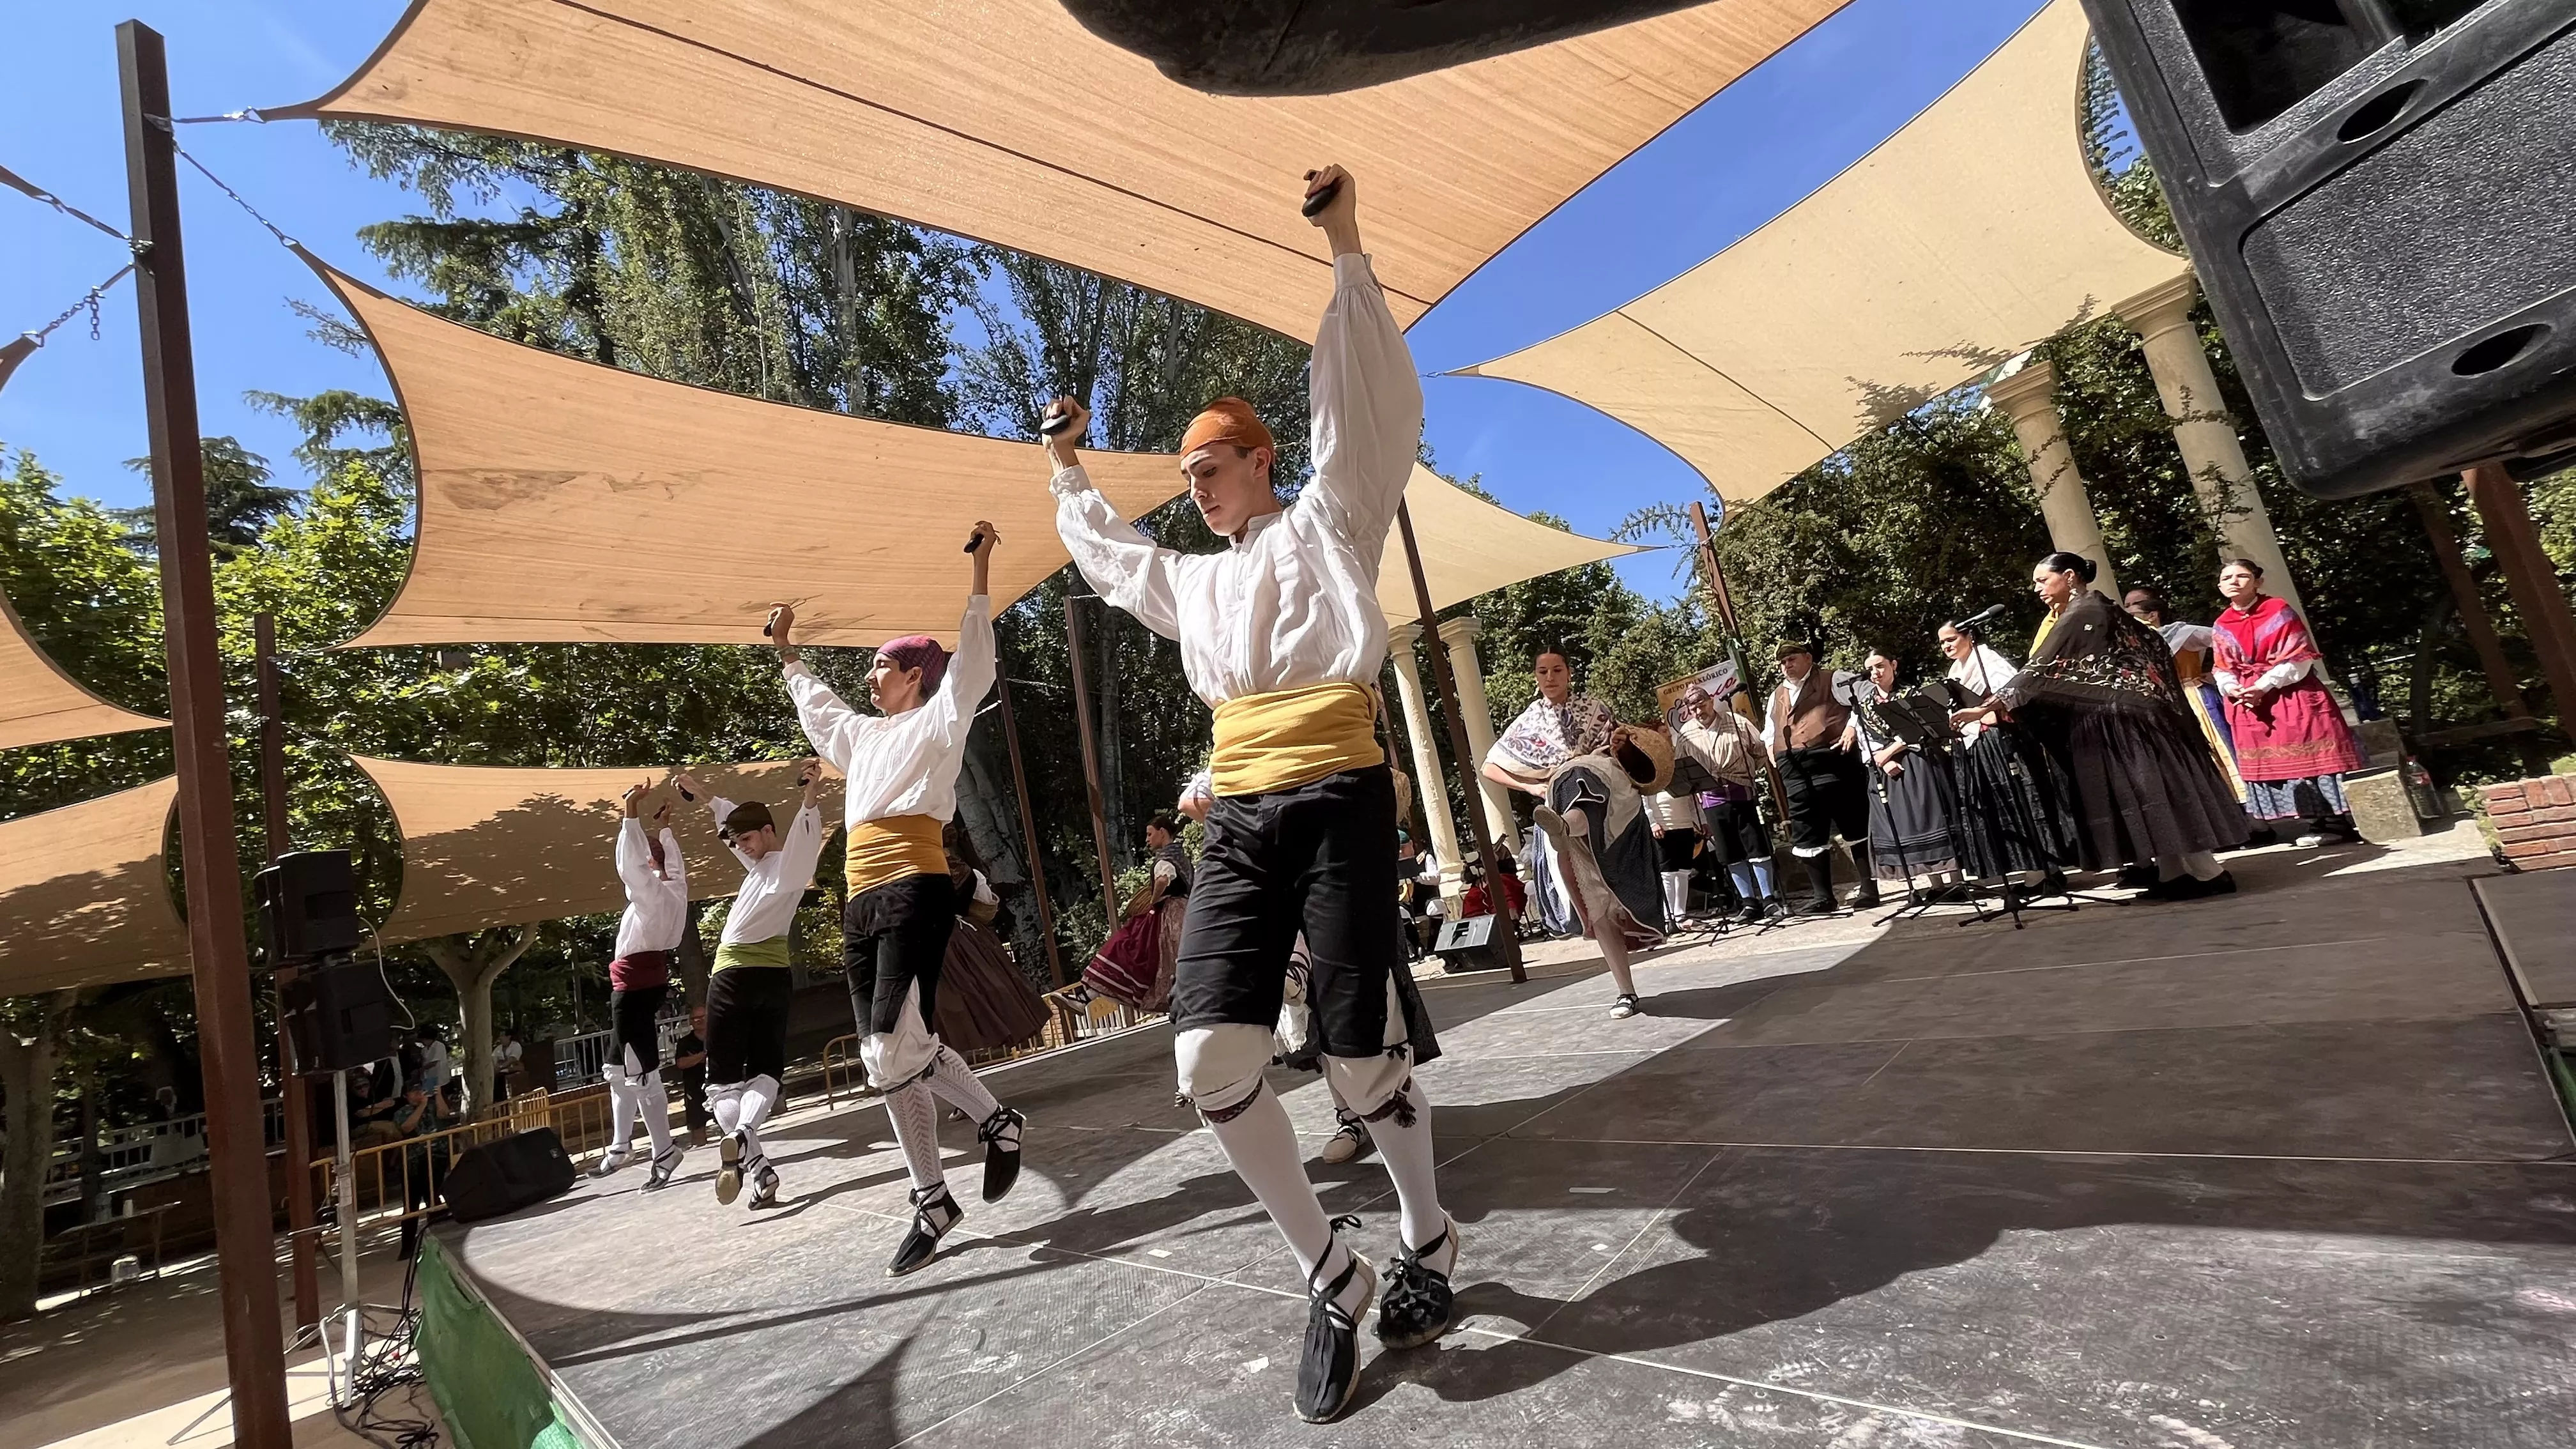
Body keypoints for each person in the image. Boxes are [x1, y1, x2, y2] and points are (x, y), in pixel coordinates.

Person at [1042, 164, 1456, 1423]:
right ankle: (1334, 1273)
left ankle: (1428, 1237)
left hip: (1336, 791)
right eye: (1186, 471)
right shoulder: (1200, 585)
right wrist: (1066, 466)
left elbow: (1364, 415)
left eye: (1210, 462)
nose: (1197, 483)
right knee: (1209, 1062)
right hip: (1242, 816)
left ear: (1259, 457)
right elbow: (1114, 559)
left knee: (1356, 1048)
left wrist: (1344, 247)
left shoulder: (1328, 523)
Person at [769, 523, 1027, 1277]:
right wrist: (786, 651)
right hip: (860, 897)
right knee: (886, 1054)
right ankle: (990, 1128)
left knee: (889, 1046)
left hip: (914, 886)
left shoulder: (939, 722)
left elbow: (974, 664)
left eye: (882, 667)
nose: (871, 677)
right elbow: (819, 710)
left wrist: (979, 574)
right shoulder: (860, 736)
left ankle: (935, 1190)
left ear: (915, 676)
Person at [1952, 552, 2248, 899]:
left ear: (2071, 576)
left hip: (2129, 721)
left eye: (2042, 581)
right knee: (2143, 797)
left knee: (2155, 793)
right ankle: (2172, 875)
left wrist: (1987, 708)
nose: (2037, 589)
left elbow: (2040, 669)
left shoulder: (2085, 612)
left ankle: (2210, 875)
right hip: (2120, 718)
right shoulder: (2093, 609)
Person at [670, 760, 828, 1209]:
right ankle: (758, 1168)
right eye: (738, 842)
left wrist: (811, 797)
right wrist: (702, 793)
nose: (744, 848)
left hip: (735, 974)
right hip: (774, 977)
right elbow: (735, 818)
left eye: (749, 839)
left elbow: (804, 837)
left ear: (767, 830)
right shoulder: (769, 865)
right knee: (766, 1071)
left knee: (720, 1084)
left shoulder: (787, 866)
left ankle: (741, 1137)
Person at [1485, 649, 1673, 1018]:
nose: (1550, 677)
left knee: (1582, 775)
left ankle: (1569, 824)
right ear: (1535, 677)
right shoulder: (1528, 722)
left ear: (1569, 673)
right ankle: (1625, 993)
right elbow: (1489, 766)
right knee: (1596, 907)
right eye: (1543, 671)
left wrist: (1622, 745)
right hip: (1557, 801)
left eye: (1557, 670)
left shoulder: (1596, 708)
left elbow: (1625, 758)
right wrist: (1531, 789)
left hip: (1613, 807)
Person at [2212, 560, 2368, 847]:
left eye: (2242, 576)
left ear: (2258, 582)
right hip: (2250, 703)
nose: (2234, 582)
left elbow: (2299, 656)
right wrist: (2232, 688)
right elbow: (2222, 665)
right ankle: (2313, 822)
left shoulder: (2278, 610)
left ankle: (2337, 822)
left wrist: (2263, 685)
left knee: (2312, 757)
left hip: (2290, 694)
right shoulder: (2222, 623)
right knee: (2280, 763)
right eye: (2227, 578)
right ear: (2220, 586)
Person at [1936, 617, 2076, 900]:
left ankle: (2047, 872)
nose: (1946, 646)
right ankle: (2028, 871)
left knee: (2022, 800)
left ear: (1969, 636)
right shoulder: (1956, 669)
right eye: (1942, 643)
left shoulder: (1989, 661)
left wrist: (1989, 713)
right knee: (2000, 808)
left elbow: (2015, 693)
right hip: (1977, 743)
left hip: (2002, 741)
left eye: (1951, 639)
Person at [594, 780, 688, 1187]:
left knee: (641, 1070)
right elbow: (674, 865)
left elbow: (631, 867)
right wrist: (666, 829)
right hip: (636, 986)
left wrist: (630, 813)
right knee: (618, 1069)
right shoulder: (676, 889)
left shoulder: (652, 894)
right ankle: (621, 1144)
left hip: (632, 991)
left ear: (652, 864)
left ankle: (664, 1148)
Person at [1761, 643, 1879, 913]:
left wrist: (1852, 728)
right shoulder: (1776, 695)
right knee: (1807, 831)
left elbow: (1868, 697)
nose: (1786, 666)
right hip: (1795, 771)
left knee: (1854, 823)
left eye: (1791, 660)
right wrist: (1772, 750)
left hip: (1833, 761)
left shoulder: (1834, 678)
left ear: (1808, 658)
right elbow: (1769, 729)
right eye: (1782, 663)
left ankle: (1869, 889)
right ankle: (1823, 897)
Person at [1850, 650, 1966, 901]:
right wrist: (1883, 759)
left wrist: (1890, 751)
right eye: (1870, 669)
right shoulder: (1866, 703)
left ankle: (1956, 881)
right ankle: (1934, 884)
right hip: (1887, 768)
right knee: (1908, 824)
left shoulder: (1911, 694)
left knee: (1932, 817)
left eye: (1880, 666)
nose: (1875, 673)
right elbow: (1864, 737)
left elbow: (1920, 729)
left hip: (1920, 761)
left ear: (1894, 665)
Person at [928, 820, 1052, 1054]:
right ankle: (988, 1037)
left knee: (943, 999)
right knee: (990, 989)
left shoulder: (920, 874)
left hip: (932, 940)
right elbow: (987, 903)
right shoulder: (970, 874)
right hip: (969, 938)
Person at [2124, 586, 2250, 808]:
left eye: (2132, 608)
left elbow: (2229, 640)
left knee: (2219, 750)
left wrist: (2219, 673)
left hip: (2195, 698)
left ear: (2153, 614)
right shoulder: (2133, 646)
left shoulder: (2182, 633)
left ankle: (2253, 820)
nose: (2126, 612)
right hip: (2164, 706)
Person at [1672, 686, 1784, 922]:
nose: (1697, 709)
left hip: (1741, 791)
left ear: (1711, 701)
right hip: (1712, 800)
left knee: (1756, 847)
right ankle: (1749, 903)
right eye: (1692, 706)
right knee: (1729, 852)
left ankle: (1769, 899)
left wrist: (1747, 773)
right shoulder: (1686, 734)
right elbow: (1682, 768)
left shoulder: (1737, 722)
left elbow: (1760, 751)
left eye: (1701, 702)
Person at [670, 1006, 710, 1146]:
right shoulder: (684, 1042)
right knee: (697, 1128)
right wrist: (703, 1056)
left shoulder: (718, 1037)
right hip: (694, 1087)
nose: (699, 1020)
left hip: (717, 1084)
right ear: (691, 1022)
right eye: (695, 1018)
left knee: (727, 1123)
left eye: (703, 1016)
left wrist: (694, 1059)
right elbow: (681, 1063)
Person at [492, 1029, 523, 1102]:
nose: (500, 1038)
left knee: (499, 1078)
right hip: (501, 1071)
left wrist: (501, 1066)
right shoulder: (498, 1049)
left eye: (502, 1036)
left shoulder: (515, 1046)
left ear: (509, 1037)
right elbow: (493, 1060)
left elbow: (512, 1059)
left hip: (513, 1069)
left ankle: (502, 1101)